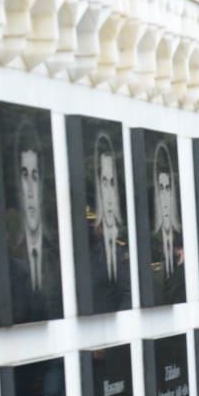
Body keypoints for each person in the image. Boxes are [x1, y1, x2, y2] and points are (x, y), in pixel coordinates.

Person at [8, 116, 63, 323]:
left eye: (35, 176)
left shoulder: (57, 253)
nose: (30, 190)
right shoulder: (11, 258)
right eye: (24, 175)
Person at [89, 131, 131, 313]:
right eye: (103, 183)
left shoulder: (117, 252)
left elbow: (128, 293)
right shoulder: (90, 251)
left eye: (111, 183)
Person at [149, 140, 185, 304]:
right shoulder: (151, 239)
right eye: (160, 188)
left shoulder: (185, 235)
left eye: (168, 188)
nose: (165, 196)